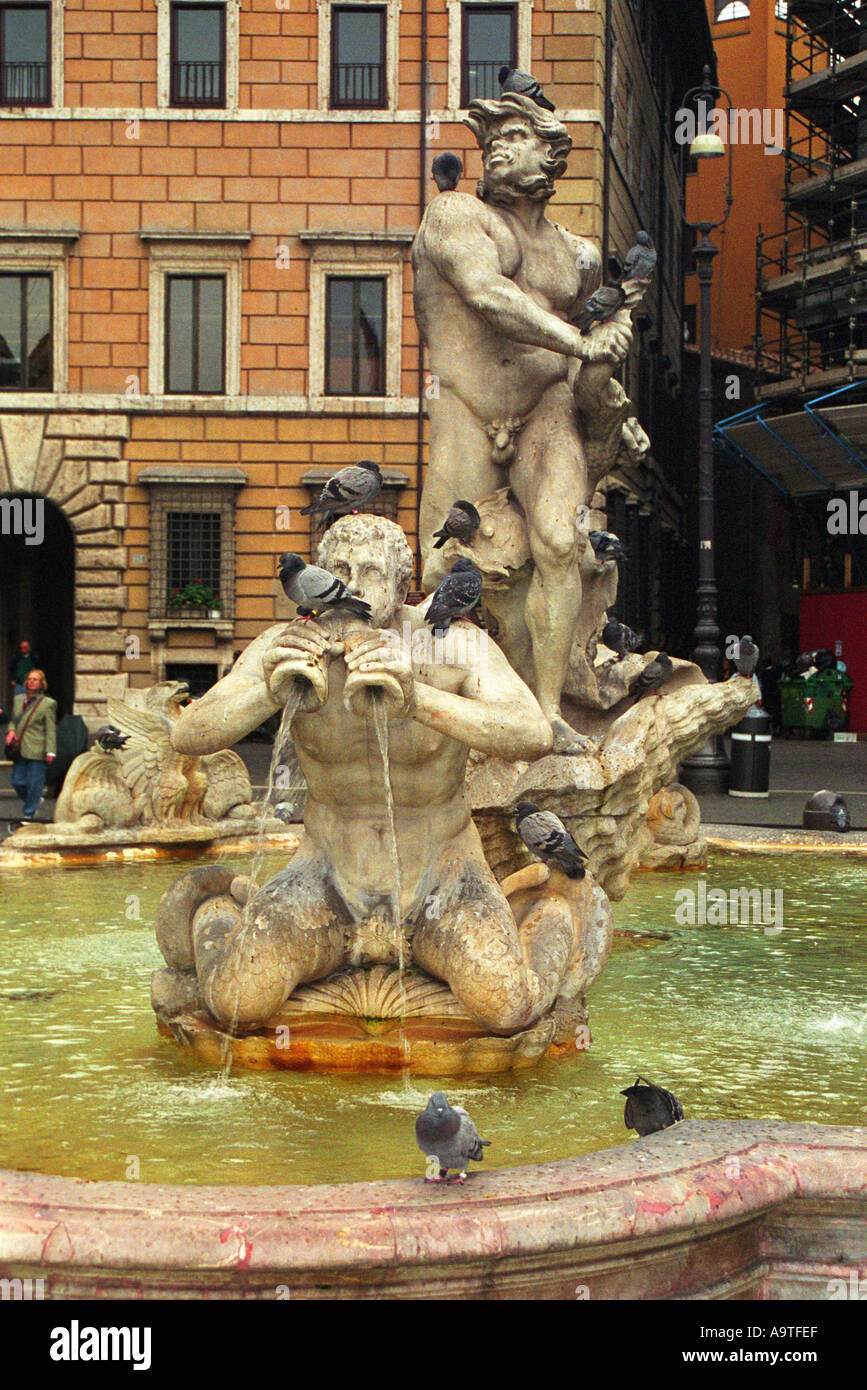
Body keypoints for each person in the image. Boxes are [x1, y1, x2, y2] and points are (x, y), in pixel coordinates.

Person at [413, 93, 636, 753]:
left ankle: (547, 712)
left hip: (546, 408)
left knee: (558, 544)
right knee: (438, 568)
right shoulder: (457, 215)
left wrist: (607, 387)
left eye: (515, 136)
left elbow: (595, 344)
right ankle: (447, 711)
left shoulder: (581, 256)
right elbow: (489, 296)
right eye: (492, 141)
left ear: (553, 152)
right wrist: (580, 342)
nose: (498, 149)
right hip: (469, 411)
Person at [5, 669, 56, 823]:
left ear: (42, 683)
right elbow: (14, 719)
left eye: (35, 679)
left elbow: (50, 728)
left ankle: (28, 813)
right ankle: (34, 800)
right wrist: (11, 730)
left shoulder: (48, 704)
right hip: (19, 747)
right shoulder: (19, 699)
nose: (32, 681)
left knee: (35, 782)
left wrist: (51, 751)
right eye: (29, 679)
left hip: (37, 748)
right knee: (17, 781)